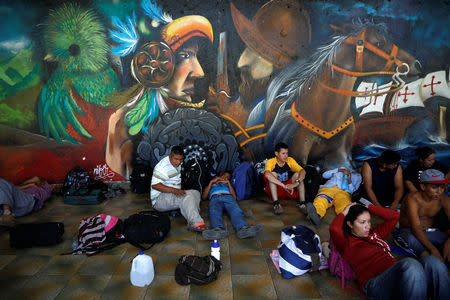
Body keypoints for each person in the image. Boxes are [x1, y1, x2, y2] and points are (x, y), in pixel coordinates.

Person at [106, 12, 214, 179]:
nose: (198, 72)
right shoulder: (121, 125)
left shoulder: (202, 115)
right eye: (184, 56)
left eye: (195, 56)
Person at [330, 202, 449, 299]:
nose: (368, 226)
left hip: (397, 276)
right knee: (411, 264)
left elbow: (395, 216)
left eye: (369, 221)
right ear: (350, 224)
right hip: (375, 285)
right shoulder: (347, 243)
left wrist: (368, 207)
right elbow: (334, 229)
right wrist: (345, 211)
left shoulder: (375, 234)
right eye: (362, 222)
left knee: (432, 261)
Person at [151, 145, 209, 232]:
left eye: (181, 159)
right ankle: (195, 223)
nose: (178, 162)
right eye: (176, 159)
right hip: (159, 200)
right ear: (170, 156)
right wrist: (174, 190)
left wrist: (176, 190)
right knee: (187, 196)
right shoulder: (162, 167)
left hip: (171, 195)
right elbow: (155, 185)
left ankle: (189, 212)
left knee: (195, 192)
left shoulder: (176, 163)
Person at [397, 169, 449, 262]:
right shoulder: (412, 199)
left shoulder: (444, 199)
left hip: (430, 232)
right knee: (428, 257)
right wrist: (433, 250)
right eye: (434, 188)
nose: (439, 191)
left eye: (442, 187)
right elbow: (415, 228)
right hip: (409, 232)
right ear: (423, 187)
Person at [201, 171, 264, 240]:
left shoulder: (228, 185)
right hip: (215, 198)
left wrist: (228, 183)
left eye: (227, 177)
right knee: (214, 211)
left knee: (236, 210)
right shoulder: (211, 185)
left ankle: (243, 229)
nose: (225, 178)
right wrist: (211, 182)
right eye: (224, 175)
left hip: (228, 197)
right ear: (220, 175)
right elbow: (204, 197)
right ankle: (218, 230)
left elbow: (234, 197)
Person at [264, 142, 306, 215]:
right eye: (283, 153)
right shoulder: (271, 161)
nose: (286, 156)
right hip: (277, 189)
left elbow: (303, 171)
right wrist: (283, 186)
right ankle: (276, 204)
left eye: (287, 153)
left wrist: (295, 183)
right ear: (276, 153)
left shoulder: (290, 160)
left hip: (288, 188)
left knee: (298, 175)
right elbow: (267, 174)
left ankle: (302, 203)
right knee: (272, 174)